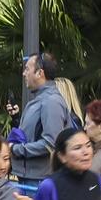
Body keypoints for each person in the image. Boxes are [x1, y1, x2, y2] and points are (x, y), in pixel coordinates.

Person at [11, 52, 74, 181]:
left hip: (40, 180)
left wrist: (14, 149)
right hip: (32, 178)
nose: (24, 73)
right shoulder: (41, 100)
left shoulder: (51, 101)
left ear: (40, 73)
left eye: (27, 69)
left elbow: (50, 144)